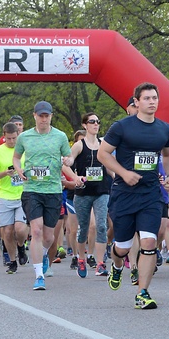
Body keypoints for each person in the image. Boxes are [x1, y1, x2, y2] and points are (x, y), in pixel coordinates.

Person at [97, 84, 169, 308]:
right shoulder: (122, 127)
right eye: (147, 98)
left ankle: (143, 292)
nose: (152, 102)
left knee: (149, 241)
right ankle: (117, 264)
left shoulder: (164, 129)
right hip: (124, 193)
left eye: (155, 98)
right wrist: (123, 173)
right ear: (136, 102)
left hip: (150, 193)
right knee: (122, 246)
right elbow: (103, 154)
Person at [13, 101, 78, 291]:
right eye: (40, 115)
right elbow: (16, 158)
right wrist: (19, 170)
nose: (43, 118)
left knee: (49, 237)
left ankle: (41, 254)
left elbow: (69, 158)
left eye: (46, 115)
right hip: (32, 189)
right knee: (36, 230)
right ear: (34, 116)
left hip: (53, 190)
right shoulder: (25, 137)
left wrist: (68, 160)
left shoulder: (60, 136)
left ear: (51, 116)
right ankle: (39, 275)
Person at [69, 112, 112, 278]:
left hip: (101, 191)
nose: (96, 124)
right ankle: (81, 257)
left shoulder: (103, 145)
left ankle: (100, 263)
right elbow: (69, 162)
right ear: (85, 125)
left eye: (98, 122)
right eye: (92, 122)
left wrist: (119, 177)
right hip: (83, 193)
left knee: (101, 226)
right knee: (84, 228)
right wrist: (74, 175)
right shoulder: (79, 145)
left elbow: (109, 166)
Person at [0, 123, 29, 274]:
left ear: (18, 135)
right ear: (4, 136)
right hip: (5, 195)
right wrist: (5, 173)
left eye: (14, 138)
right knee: (8, 231)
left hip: (23, 194)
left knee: (20, 229)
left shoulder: (25, 148)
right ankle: (12, 260)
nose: (11, 141)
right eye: (8, 138)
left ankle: (21, 246)